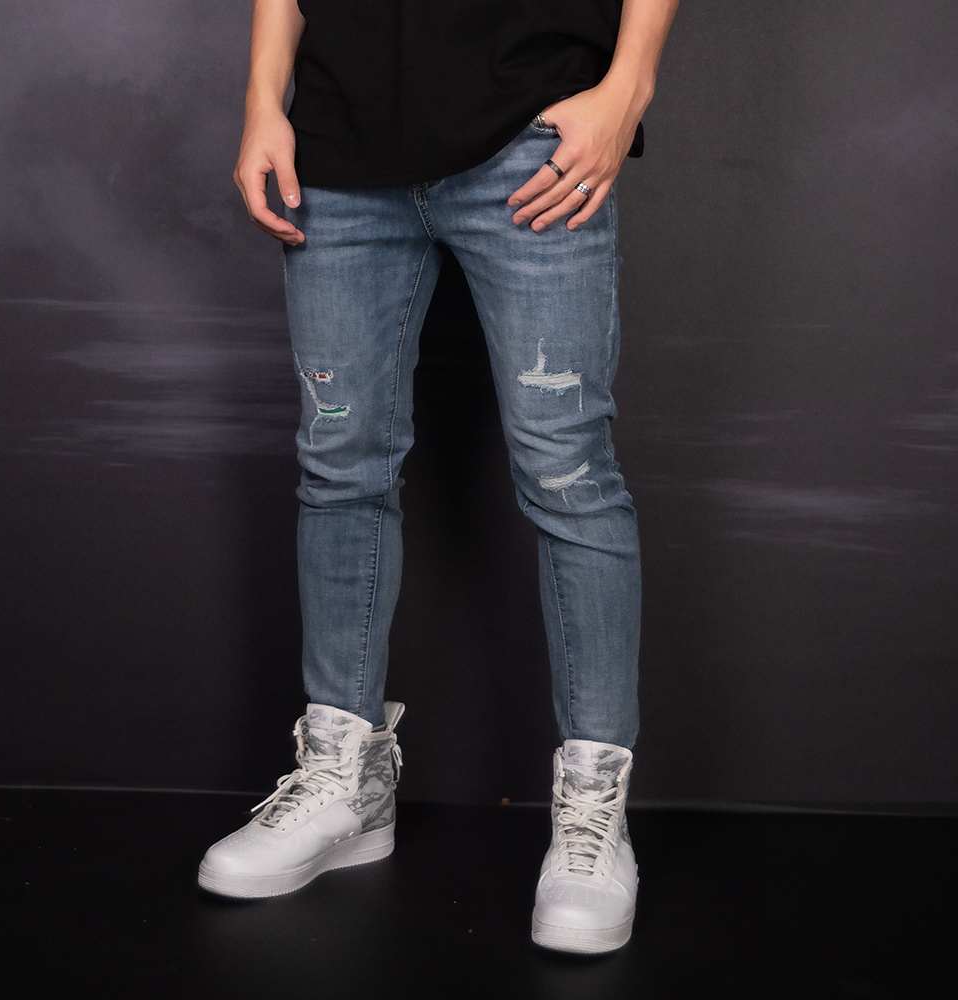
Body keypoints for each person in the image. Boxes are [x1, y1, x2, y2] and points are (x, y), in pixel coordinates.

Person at [198, 0, 679, 955]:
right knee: (339, 467)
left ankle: (594, 814)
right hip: (337, 147)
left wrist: (628, 88)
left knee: (569, 476)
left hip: (531, 143)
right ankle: (347, 781)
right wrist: (262, 104)